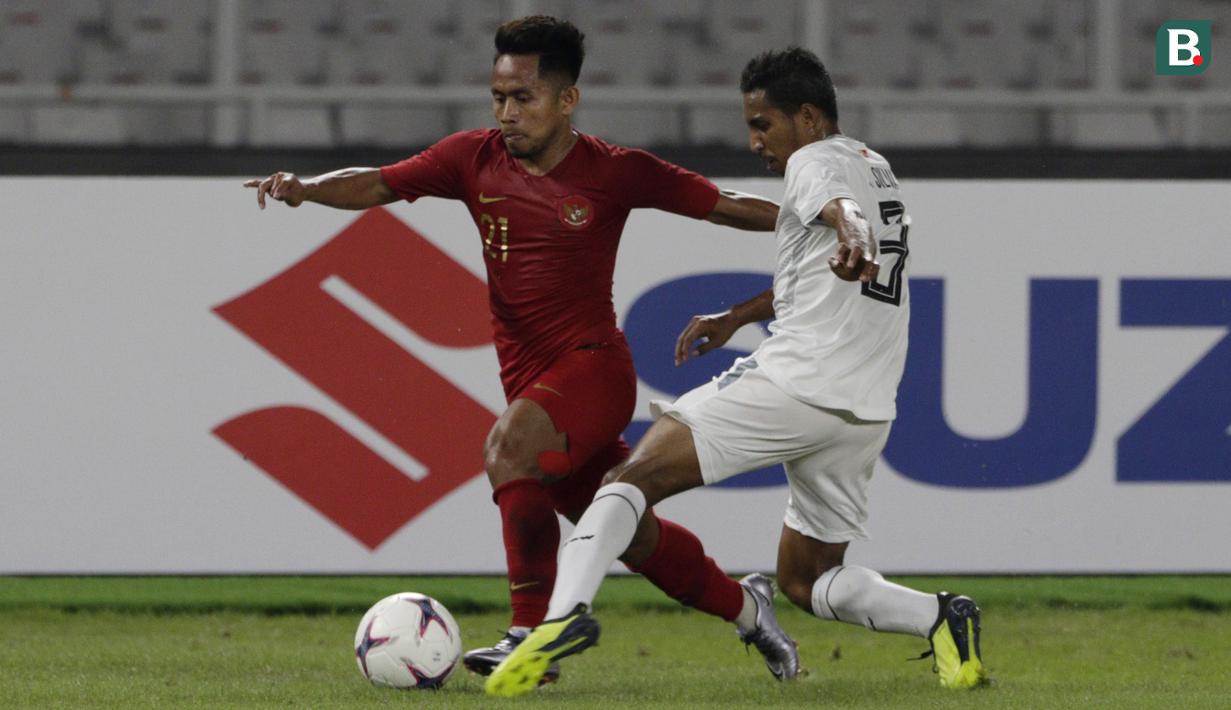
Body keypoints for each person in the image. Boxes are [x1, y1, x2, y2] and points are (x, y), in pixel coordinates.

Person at [244, 16, 799, 684]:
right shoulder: (471, 159)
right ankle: (748, 608)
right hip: (531, 378)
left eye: (523, 98)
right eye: (498, 97)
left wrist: (818, 214)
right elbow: (379, 181)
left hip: (592, 367)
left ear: (566, 101)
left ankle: (528, 637)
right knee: (632, 534)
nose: (507, 113)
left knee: (507, 449)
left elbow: (723, 204)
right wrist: (306, 188)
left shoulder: (614, 172)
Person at [486, 47, 988, 698]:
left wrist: (850, 227)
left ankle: (558, 622)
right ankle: (940, 617)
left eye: (762, 125)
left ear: (806, 117)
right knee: (806, 580)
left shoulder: (813, 164)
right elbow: (821, 266)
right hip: (862, 410)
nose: (754, 142)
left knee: (626, 481)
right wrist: (738, 314)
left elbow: (838, 211)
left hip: (796, 385)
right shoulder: (876, 167)